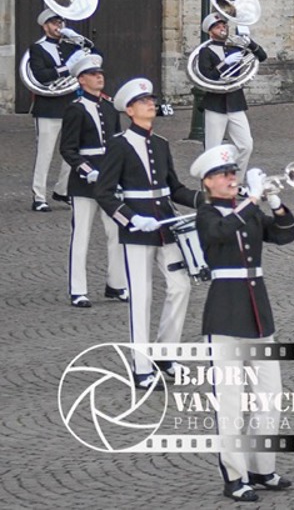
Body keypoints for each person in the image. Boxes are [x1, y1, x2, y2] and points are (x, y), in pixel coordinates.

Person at [191, 144, 294, 502]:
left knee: (270, 397)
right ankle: (235, 477)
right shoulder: (206, 214)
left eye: (233, 173)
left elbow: (285, 233)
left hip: (258, 315)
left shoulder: (247, 211)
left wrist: (274, 201)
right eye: (224, 174)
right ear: (208, 182)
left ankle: (261, 467)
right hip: (225, 314)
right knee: (231, 403)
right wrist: (251, 200)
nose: (231, 178)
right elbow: (219, 233)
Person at [94, 77, 201, 387]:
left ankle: (165, 354)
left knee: (181, 287)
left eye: (152, 100)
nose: (150, 104)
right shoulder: (119, 145)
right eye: (143, 102)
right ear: (129, 110)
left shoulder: (161, 143)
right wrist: (130, 219)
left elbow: (175, 188)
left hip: (166, 225)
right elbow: (104, 192)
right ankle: (141, 366)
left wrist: (206, 199)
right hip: (137, 230)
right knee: (140, 297)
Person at [60, 53, 126, 307]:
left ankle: (116, 284)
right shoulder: (75, 109)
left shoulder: (109, 107)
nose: (99, 77)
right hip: (84, 182)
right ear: (81, 80)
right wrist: (86, 169)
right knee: (81, 234)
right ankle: (78, 289)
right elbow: (68, 149)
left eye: (100, 73)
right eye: (92, 74)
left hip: (109, 179)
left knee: (116, 232)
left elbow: (117, 144)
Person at [26, 7, 84, 211]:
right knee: (45, 153)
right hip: (47, 108)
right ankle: (39, 196)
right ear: (45, 26)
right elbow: (41, 75)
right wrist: (66, 69)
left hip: (70, 105)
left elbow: (94, 58)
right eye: (54, 23)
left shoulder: (71, 47)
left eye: (60, 22)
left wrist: (80, 40)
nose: (58, 26)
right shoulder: (37, 48)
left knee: (72, 152)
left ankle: (63, 190)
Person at [196, 12, 268, 169]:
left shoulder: (235, 47)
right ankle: (211, 182)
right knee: (212, 149)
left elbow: (262, 56)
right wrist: (224, 63)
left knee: (246, 146)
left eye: (223, 25)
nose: (222, 28)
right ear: (210, 32)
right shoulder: (205, 51)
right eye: (217, 27)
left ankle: (236, 180)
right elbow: (207, 76)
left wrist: (250, 43)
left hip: (235, 101)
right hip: (215, 103)